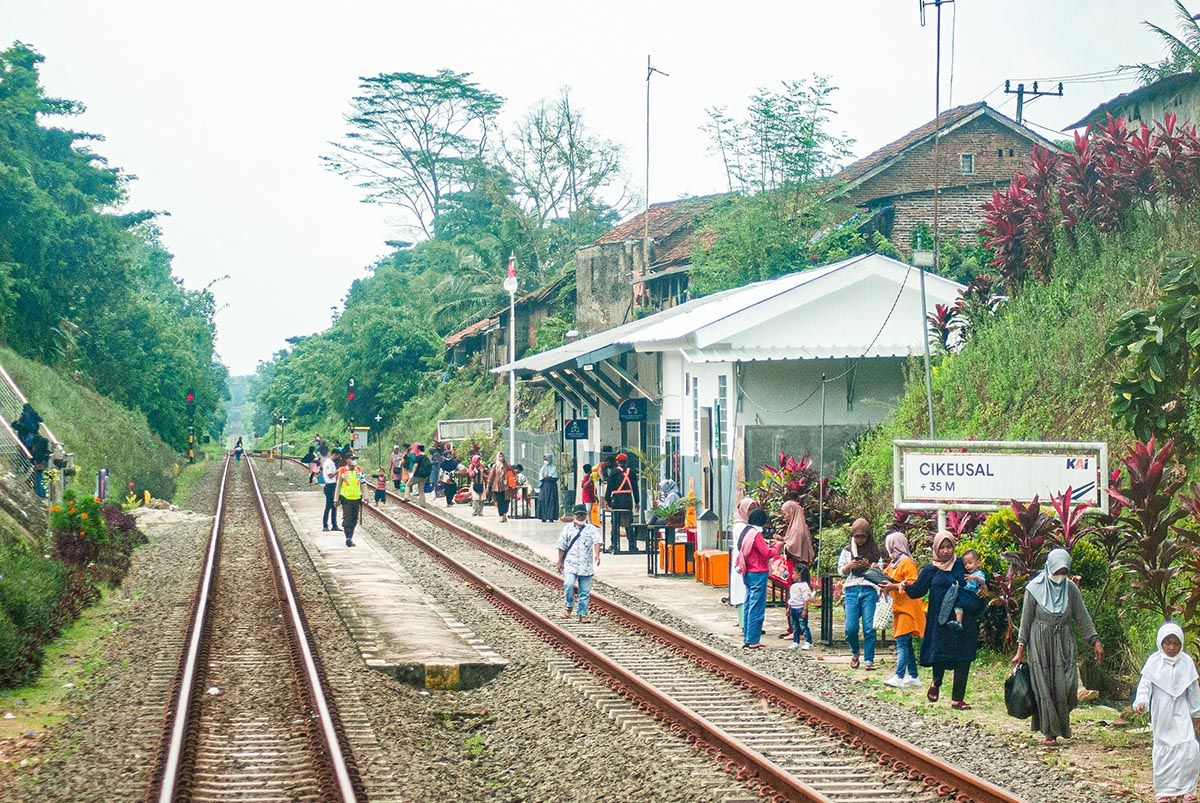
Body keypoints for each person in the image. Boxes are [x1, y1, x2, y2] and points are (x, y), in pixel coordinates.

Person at [1012, 548, 1103, 746]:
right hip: (1039, 642)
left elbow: (1082, 616)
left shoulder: (1071, 589)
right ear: (1050, 567)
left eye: (1064, 572)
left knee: (1068, 685)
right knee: (1045, 686)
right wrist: (1020, 650)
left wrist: (1095, 640)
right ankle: (1050, 732)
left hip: (1063, 640)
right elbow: (1026, 621)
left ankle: (1060, 723)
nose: (1060, 576)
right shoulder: (1034, 589)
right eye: (1057, 571)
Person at [900, 531, 987, 709]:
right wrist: (904, 585)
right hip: (940, 621)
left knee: (964, 657)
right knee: (939, 654)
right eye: (942, 547)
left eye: (949, 547)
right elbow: (918, 590)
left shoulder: (961, 567)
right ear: (936, 548)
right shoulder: (930, 570)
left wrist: (984, 587)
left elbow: (976, 579)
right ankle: (936, 682)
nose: (946, 551)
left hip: (963, 620)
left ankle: (957, 699)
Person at [1134, 622, 1200, 802]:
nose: (1172, 647)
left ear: (1181, 644)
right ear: (1160, 643)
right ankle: (1164, 791)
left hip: (1182, 712)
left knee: (1190, 748)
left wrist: (1197, 715)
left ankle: (1188, 789)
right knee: (1164, 748)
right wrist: (1141, 702)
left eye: (1176, 643)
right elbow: (1145, 687)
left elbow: (1194, 691)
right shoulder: (1153, 663)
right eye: (1167, 643)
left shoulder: (1186, 663)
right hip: (1162, 713)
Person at [881, 531, 926, 688]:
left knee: (901, 641)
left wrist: (892, 586)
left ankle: (899, 676)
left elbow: (912, 583)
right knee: (905, 643)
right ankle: (913, 676)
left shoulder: (906, 562)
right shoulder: (895, 562)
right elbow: (886, 576)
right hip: (899, 608)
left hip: (908, 608)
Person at [837, 518, 883, 670]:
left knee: (869, 628)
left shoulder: (874, 551)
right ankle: (855, 652)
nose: (860, 540)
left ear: (868, 536)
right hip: (851, 589)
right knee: (851, 628)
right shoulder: (847, 550)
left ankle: (869, 660)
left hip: (869, 589)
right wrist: (850, 565)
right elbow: (841, 570)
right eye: (856, 536)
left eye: (863, 536)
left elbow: (880, 572)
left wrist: (869, 566)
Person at [736, 507, 784, 650]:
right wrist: (778, 547)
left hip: (748, 572)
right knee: (757, 607)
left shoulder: (746, 531)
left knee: (749, 604)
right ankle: (753, 639)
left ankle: (747, 637)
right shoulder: (756, 534)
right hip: (758, 572)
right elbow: (766, 552)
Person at [557, 504, 603, 622]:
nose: (581, 516)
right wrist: (559, 561)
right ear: (574, 515)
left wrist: (597, 555)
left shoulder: (591, 529)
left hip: (586, 565)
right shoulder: (567, 528)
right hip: (571, 563)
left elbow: (597, 541)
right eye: (579, 514)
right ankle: (568, 607)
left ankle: (582, 613)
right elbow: (562, 545)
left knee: (585, 591)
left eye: (583, 514)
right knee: (568, 584)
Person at [778, 499, 815, 639]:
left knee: (796, 599)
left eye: (785, 514)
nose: (783, 517)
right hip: (797, 568)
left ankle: (797, 631)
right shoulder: (796, 526)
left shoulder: (798, 528)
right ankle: (793, 629)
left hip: (798, 568)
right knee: (793, 598)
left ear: (792, 513)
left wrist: (780, 544)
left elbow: (793, 548)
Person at [728, 497, 759, 631]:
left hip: (749, 564)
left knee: (746, 593)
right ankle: (744, 624)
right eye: (749, 509)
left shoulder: (749, 526)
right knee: (742, 594)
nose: (751, 512)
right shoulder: (741, 526)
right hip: (742, 564)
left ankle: (748, 624)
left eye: (754, 509)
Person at [604, 453, 640, 553]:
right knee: (629, 523)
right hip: (628, 500)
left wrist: (607, 500)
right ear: (626, 461)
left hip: (617, 500)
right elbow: (635, 488)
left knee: (615, 523)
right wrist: (637, 501)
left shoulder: (614, 472)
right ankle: (632, 546)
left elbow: (609, 487)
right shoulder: (631, 472)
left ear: (617, 461)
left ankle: (614, 545)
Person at [332, 452, 364, 547]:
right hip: (346, 498)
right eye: (352, 458)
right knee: (347, 518)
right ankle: (348, 537)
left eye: (355, 459)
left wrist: (365, 497)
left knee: (354, 519)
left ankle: (350, 536)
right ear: (347, 460)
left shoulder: (359, 470)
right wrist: (336, 499)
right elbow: (338, 486)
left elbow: (363, 483)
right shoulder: (342, 471)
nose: (354, 461)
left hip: (357, 498)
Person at [952, 550, 987, 630]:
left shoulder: (979, 573)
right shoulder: (970, 573)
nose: (967, 566)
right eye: (965, 564)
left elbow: (983, 581)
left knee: (959, 602)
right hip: (966, 593)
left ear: (978, 563)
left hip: (972, 594)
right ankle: (958, 622)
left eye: (970, 563)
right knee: (958, 604)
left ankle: (959, 622)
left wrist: (975, 577)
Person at [787, 564, 814, 650]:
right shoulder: (793, 586)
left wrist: (805, 609)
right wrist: (789, 607)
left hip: (800, 608)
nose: (792, 575)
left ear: (800, 575)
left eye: (794, 573)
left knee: (803, 626)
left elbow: (805, 598)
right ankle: (796, 641)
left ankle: (808, 642)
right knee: (795, 626)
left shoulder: (804, 586)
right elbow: (792, 598)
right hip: (793, 608)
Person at [487, 451, 515, 522]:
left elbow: (513, 475)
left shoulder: (508, 466)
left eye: (502, 456)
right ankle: (501, 515)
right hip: (497, 487)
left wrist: (514, 483)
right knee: (500, 502)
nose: (501, 458)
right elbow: (491, 477)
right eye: (500, 456)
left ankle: (504, 513)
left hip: (507, 487)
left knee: (506, 501)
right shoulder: (495, 466)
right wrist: (489, 486)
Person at [320, 446, 340, 532]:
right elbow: (330, 475)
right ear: (335, 455)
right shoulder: (328, 463)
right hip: (329, 486)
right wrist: (338, 471)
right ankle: (325, 525)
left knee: (334, 506)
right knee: (328, 506)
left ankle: (334, 525)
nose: (338, 458)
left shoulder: (331, 462)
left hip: (333, 485)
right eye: (338, 456)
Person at [537, 454, 560, 523]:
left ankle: (551, 517)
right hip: (544, 487)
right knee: (543, 500)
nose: (545, 461)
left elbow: (555, 477)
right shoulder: (543, 468)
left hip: (552, 487)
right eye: (544, 460)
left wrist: (548, 478)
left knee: (551, 501)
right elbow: (541, 477)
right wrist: (545, 478)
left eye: (546, 459)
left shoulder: (554, 467)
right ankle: (543, 517)